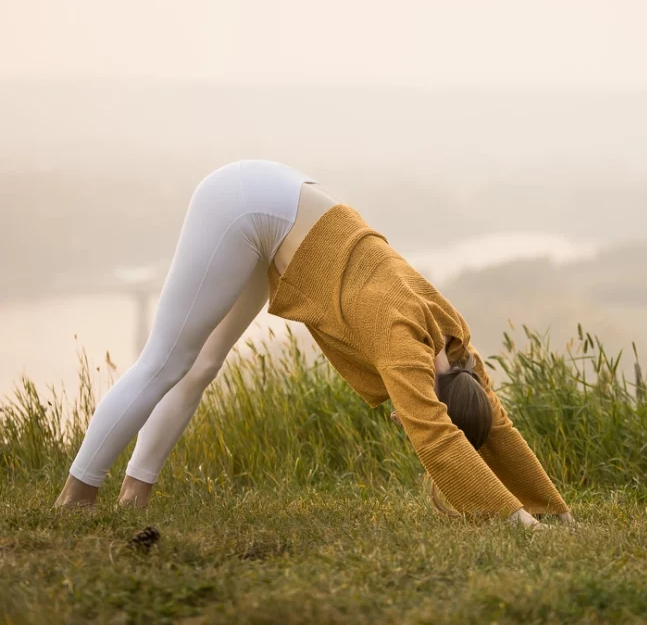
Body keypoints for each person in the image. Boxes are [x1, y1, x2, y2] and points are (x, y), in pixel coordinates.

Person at [54, 160, 572, 528]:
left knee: (204, 363)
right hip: (243, 203)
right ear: (436, 398)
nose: (402, 421)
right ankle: (76, 494)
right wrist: (519, 524)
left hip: (283, 207)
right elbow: (438, 440)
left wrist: (556, 511)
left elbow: (494, 423)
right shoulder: (402, 343)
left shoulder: (451, 340)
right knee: (166, 359)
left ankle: (134, 494)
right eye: (414, 412)